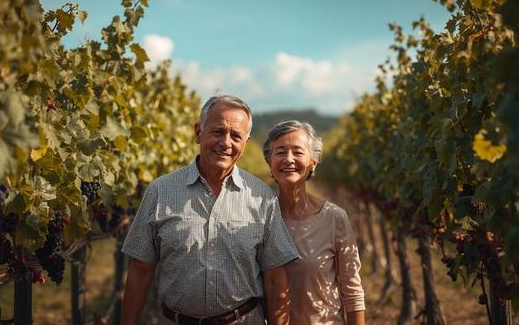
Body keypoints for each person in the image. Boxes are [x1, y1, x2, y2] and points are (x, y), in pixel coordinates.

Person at [121, 95, 299, 325]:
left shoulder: (262, 197)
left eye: (236, 136)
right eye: (218, 131)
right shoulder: (160, 191)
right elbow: (140, 271)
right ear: (198, 133)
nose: (226, 143)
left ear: (245, 143)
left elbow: (275, 278)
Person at [262, 120, 365, 325]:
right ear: (270, 163)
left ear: (313, 162)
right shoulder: (258, 218)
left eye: (298, 152)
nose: (288, 159)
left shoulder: (335, 218)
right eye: (280, 152)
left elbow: (352, 293)